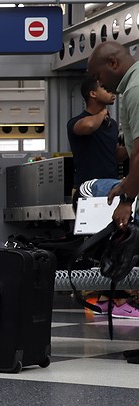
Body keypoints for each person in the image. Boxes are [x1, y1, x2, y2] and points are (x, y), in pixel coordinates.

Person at [86, 42, 139, 320]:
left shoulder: (135, 89)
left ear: (113, 64)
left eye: (99, 75)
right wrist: (127, 183)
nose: (100, 82)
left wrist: (127, 200)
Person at [67, 76, 125, 195]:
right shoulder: (76, 122)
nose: (111, 91)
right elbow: (89, 126)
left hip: (110, 186)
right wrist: (103, 112)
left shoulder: (112, 124)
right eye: (104, 88)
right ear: (93, 94)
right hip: (86, 188)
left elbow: (115, 156)